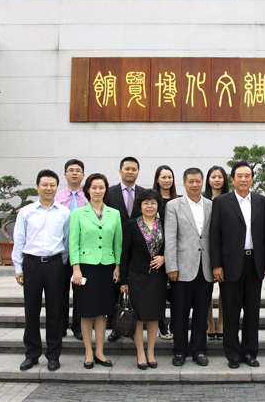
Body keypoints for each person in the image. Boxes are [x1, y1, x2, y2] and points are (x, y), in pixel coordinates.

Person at [210, 161, 265, 369]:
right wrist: (216, 265)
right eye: (239, 176)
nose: (243, 179)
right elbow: (215, 234)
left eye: (247, 176)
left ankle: (250, 351)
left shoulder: (261, 201)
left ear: (252, 179)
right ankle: (232, 354)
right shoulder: (221, 202)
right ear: (232, 179)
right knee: (231, 311)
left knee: (252, 311)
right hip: (229, 264)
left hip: (254, 263)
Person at [12, 169, 71, 372]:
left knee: (55, 311)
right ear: (37, 187)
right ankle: (32, 354)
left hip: (55, 264)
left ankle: (53, 355)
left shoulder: (64, 213)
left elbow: (67, 241)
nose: (48, 188)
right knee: (31, 311)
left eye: (52, 185)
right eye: (44, 184)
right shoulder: (26, 212)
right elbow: (19, 241)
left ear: (57, 187)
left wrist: (61, 264)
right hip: (32, 264)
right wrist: (18, 267)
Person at [70, 173, 122, 369]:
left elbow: (118, 243)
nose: (97, 191)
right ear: (87, 190)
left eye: (101, 187)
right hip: (85, 268)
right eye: (94, 187)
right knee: (86, 311)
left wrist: (117, 266)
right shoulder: (78, 213)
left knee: (102, 312)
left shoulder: (114, 214)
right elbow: (73, 243)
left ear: (106, 190)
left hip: (107, 267)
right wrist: (76, 268)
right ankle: (88, 352)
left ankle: (100, 351)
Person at [165, 168, 214, 367]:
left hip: (205, 267)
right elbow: (170, 238)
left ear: (203, 183)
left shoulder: (211, 205)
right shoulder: (173, 206)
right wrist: (171, 266)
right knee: (180, 312)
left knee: (201, 312)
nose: (195, 184)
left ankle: (199, 350)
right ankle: (179, 350)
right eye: (191, 181)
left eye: (198, 181)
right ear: (184, 183)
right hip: (182, 267)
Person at [120, 189, 166, 370]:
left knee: (154, 316)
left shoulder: (164, 224)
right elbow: (125, 254)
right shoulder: (132, 225)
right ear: (140, 206)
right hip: (137, 277)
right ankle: (140, 352)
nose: (149, 206)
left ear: (158, 205)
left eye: (153, 203)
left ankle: (151, 352)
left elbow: (171, 246)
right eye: (145, 203)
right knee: (138, 317)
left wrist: (165, 258)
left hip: (157, 277)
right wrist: (124, 281)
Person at [105, 156, 145, 342]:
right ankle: (116, 327)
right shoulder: (109, 193)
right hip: (114, 246)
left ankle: (134, 326)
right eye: (127, 168)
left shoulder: (144, 193)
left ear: (138, 172)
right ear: (120, 171)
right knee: (115, 288)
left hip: (137, 248)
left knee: (135, 288)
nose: (130, 172)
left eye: (134, 169)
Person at [55, 159, 88, 341]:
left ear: (83, 175)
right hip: (61, 252)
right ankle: (60, 327)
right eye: (71, 170)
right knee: (59, 291)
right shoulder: (57, 197)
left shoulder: (88, 198)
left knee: (80, 292)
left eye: (78, 170)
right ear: (65, 174)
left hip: (82, 253)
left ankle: (78, 327)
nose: (74, 173)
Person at [153, 164, 178, 341]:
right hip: (157, 253)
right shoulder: (152, 200)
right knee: (159, 293)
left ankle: (174, 324)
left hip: (175, 253)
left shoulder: (179, 200)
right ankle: (160, 325)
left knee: (176, 294)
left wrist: (169, 256)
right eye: (163, 177)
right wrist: (161, 254)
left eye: (170, 177)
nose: (167, 180)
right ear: (157, 179)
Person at [204, 165, 229, 341]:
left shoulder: (230, 199)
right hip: (205, 248)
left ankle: (221, 321)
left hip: (225, 249)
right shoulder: (201, 200)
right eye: (213, 177)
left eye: (220, 177)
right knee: (206, 288)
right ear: (208, 180)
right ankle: (209, 323)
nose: (217, 180)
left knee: (224, 288)